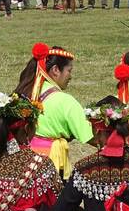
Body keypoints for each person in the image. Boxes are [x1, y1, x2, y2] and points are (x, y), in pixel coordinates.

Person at [16, 43, 94, 178]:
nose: (70, 76)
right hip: (52, 165)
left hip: (24, 162)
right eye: (69, 71)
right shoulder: (64, 101)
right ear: (56, 70)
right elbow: (90, 136)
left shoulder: (25, 91)